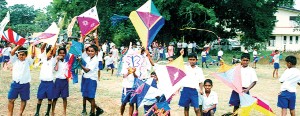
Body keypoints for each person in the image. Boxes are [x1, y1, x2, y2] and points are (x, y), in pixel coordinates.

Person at [7, 45, 34, 116]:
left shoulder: (28, 61)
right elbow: (12, 52)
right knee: (11, 99)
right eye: (20, 54)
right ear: (17, 54)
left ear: (26, 55)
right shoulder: (15, 60)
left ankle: (20, 113)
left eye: (23, 55)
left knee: (23, 99)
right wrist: (19, 45)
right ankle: (10, 114)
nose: (21, 56)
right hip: (15, 83)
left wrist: (33, 45)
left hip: (25, 84)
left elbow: (33, 54)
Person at [79, 45, 103, 116]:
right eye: (89, 51)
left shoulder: (95, 60)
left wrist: (79, 63)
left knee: (91, 97)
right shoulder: (87, 58)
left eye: (92, 51)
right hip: (85, 78)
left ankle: (93, 112)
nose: (90, 52)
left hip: (91, 80)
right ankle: (95, 109)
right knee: (84, 95)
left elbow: (86, 70)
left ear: (96, 52)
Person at [34, 44, 56, 116]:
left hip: (50, 83)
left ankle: (47, 113)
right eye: (49, 52)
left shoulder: (53, 60)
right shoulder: (43, 58)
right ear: (46, 53)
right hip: (43, 82)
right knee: (40, 98)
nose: (50, 54)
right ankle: (37, 112)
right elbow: (42, 48)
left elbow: (54, 50)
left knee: (50, 99)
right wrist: (46, 42)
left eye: (51, 53)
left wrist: (54, 42)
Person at [52, 47, 69, 116]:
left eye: (63, 53)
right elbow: (56, 69)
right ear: (58, 54)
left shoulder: (67, 62)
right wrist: (57, 61)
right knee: (55, 97)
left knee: (64, 97)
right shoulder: (56, 61)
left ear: (65, 54)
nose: (62, 54)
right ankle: (52, 111)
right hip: (58, 81)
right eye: (60, 53)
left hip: (65, 81)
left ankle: (64, 111)